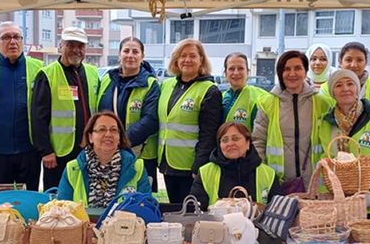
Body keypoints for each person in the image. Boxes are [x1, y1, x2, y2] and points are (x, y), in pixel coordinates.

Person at [0, 22, 43, 191]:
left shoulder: (39, 67)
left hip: (29, 148)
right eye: (6, 37)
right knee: (0, 200)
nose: (12, 42)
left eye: (16, 37)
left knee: (29, 198)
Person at [31, 27, 100, 190]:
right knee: (58, 196)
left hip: (88, 150)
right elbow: (38, 117)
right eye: (70, 45)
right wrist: (45, 151)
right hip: (58, 153)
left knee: (85, 194)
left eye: (80, 46)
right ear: (61, 46)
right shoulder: (47, 75)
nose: (76, 50)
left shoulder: (92, 73)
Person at [253, 50, 332, 187]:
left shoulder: (323, 103)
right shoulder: (267, 103)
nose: (292, 74)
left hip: (316, 184)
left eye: (298, 68)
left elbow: (331, 143)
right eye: (286, 69)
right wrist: (266, 177)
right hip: (277, 183)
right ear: (279, 73)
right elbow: (258, 142)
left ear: (306, 71)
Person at [158, 38, 222, 203]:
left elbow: (209, 134)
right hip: (168, 164)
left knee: (189, 215)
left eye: (192, 56)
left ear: (201, 59)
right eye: (183, 55)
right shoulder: (166, 85)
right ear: (176, 60)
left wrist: (199, 166)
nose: (187, 60)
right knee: (173, 209)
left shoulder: (209, 91)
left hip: (190, 167)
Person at [319, 69, 370, 195]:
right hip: (335, 198)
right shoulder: (325, 122)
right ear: (333, 92)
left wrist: (362, 183)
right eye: (338, 85)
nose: (345, 89)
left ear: (357, 88)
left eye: (350, 84)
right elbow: (324, 158)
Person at [97, 37, 159, 191]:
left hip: (140, 156)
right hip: (108, 153)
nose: (130, 55)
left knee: (137, 202)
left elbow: (150, 121)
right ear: (119, 55)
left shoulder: (150, 84)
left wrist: (120, 141)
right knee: (109, 198)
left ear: (142, 57)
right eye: (126, 51)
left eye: (135, 51)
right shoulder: (107, 80)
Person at [58, 111, 150, 207]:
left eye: (114, 130)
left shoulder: (137, 167)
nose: (108, 134)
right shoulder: (73, 169)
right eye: (102, 129)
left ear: (119, 137)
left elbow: (146, 207)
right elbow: (61, 210)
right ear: (90, 137)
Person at [191, 122, 280, 209]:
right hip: (216, 223)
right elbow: (195, 211)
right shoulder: (205, 172)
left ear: (248, 143)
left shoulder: (269, 174)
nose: (230, 144)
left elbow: (277, 212)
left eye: (235, 138)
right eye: (225, 140)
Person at [321, 42, 370, 109]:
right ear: (340, 62)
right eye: (348, 60)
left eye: (359, 60)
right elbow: (323, 116)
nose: (354, 65)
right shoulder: (326, 88)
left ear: (365, 63)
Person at [222, 52, 269, 132]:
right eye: (231, 69)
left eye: (240, 68)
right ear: (225, 73)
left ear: (248, 72)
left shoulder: (261, 97)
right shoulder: (221, 97)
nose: (236, 73)